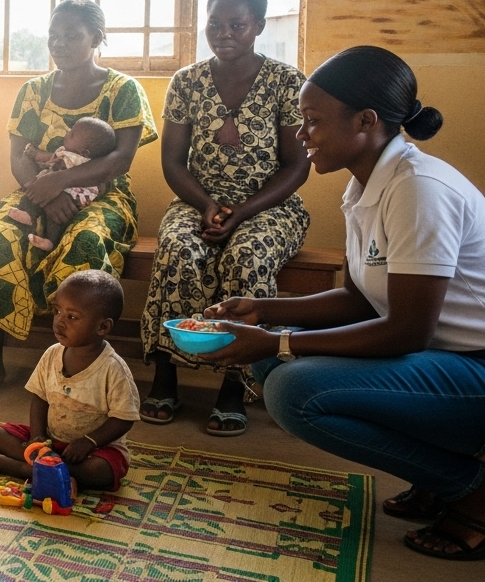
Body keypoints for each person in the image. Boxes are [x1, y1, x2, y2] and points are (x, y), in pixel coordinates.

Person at [202, 47, 485, 562]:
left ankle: (470, 485)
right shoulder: (366, 185)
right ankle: (438, 476)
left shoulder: (418, 188)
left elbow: (406, 332)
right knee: (269, 359)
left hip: (473, 369)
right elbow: (359, 299)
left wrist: (280, 339)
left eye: (312, 121)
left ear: (366, 120)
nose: (300, 134)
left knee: (293, 390)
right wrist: (263, 310)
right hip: (438, 362)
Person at [0, 0, 157, 402]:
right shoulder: (33, 91)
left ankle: (76, 373)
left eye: (71, 35)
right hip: (37, 191)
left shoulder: (123, 90)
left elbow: (120, 159)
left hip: (102, 196)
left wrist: (62, 183)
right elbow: (18, 156)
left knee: (84, 244)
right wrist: (45, 196)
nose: (59, 43)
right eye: (53, 35)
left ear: (97, 38)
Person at [139, 0, 311, 436]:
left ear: (257, 26)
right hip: (198, 200)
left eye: (237, 24)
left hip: (270, 206)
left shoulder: (286, 82)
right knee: (178, 250)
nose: (224, 33)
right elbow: (173, 162)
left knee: (247, 256)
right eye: (215, 24)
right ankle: (166, 375)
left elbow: (297, 168)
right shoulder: (187, 82)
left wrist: (244, 211)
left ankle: (237, 384)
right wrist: (207, 204)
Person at [0, 271, 139, 491]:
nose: (59, 322)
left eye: (72, 317)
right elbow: (40, 397)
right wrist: (38, 436)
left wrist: (89, 441)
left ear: (102, 327)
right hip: (52, 442)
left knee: (99, 471)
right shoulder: (51, 354)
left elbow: (124, 418)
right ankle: (48, 467)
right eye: (57, 311)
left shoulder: (112, 369)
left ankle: (24, 469)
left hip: (93, 450)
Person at [8, 117, 119, 252]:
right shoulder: (67, 152)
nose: (67, 134)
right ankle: (28, 215)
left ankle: (50, 242)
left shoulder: (78, 159)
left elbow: (52, 161)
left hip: (71, 196)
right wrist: (35, 155)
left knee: (57, 218)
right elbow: (50, 158)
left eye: (72, 135)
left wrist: (37, 156)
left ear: (84, 152)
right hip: (52, 187)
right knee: (32, 193)